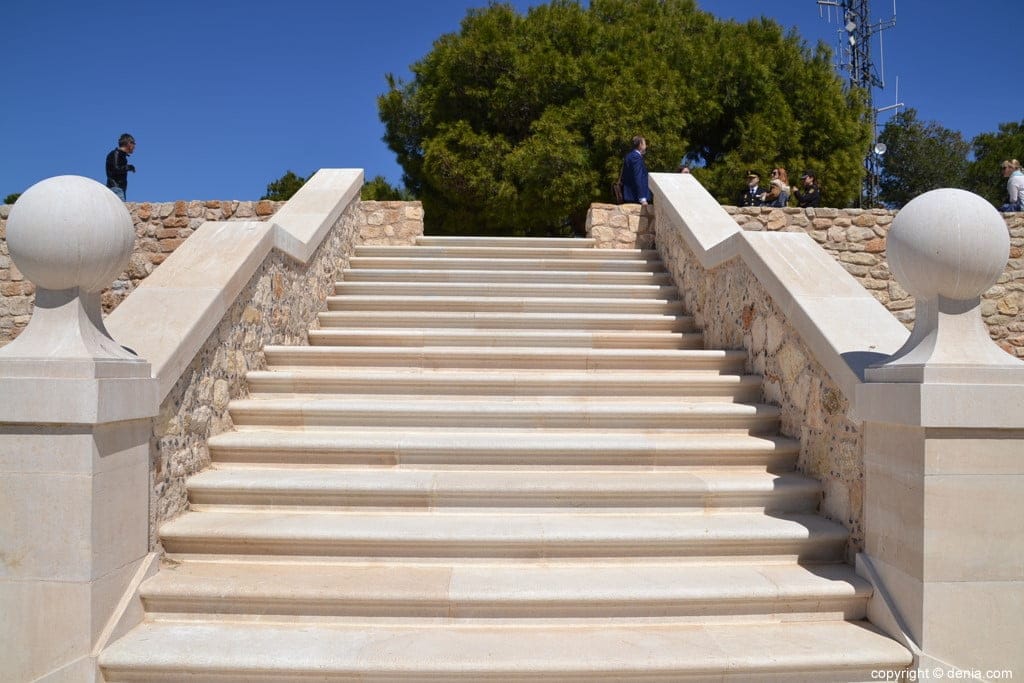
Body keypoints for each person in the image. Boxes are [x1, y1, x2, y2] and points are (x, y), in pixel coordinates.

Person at [105, 133, 136, 201]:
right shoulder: (116, 153)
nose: (135, 146)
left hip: (118, 189)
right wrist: (128, 167)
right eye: (134, 143)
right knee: (120, 210)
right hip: (116, 188)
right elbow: (116, 169)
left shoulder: (121, 155)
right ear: (128, 143)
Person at [621, 135, 651, 205]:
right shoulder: (636, 157)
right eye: (645, 143)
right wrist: (642, 198)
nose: (646, 146)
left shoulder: (629, 155)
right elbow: (638, 176)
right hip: (636, 197)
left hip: (630, 195)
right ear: (640, 145)